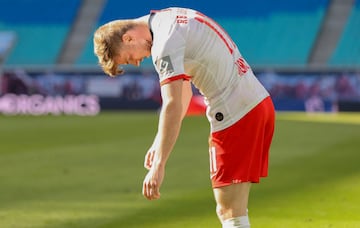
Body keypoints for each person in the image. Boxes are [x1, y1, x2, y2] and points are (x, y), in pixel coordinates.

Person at [93, 7, 275, 228]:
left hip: (234, 114)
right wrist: (159, 141)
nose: (138, 62)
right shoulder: (167, 18)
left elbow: (172, 103)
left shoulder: (163, 45)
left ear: (128, 38)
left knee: (230, 212)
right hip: (257, 103)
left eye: (129, 58)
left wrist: (158, 166)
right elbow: (184, 94)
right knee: (235, 207)